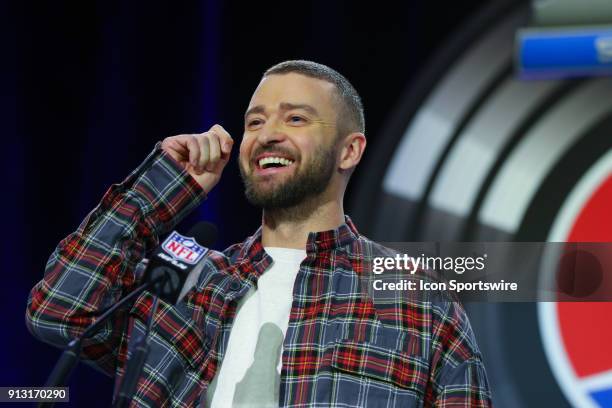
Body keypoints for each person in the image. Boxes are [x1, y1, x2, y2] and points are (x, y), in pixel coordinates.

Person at [26, 60, 492, 407]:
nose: (267, 134)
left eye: (295, 119)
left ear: (349, 150)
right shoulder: (185, 281)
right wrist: (165, 186)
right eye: (255, 121)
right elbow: (57, 312)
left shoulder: (416, 301)